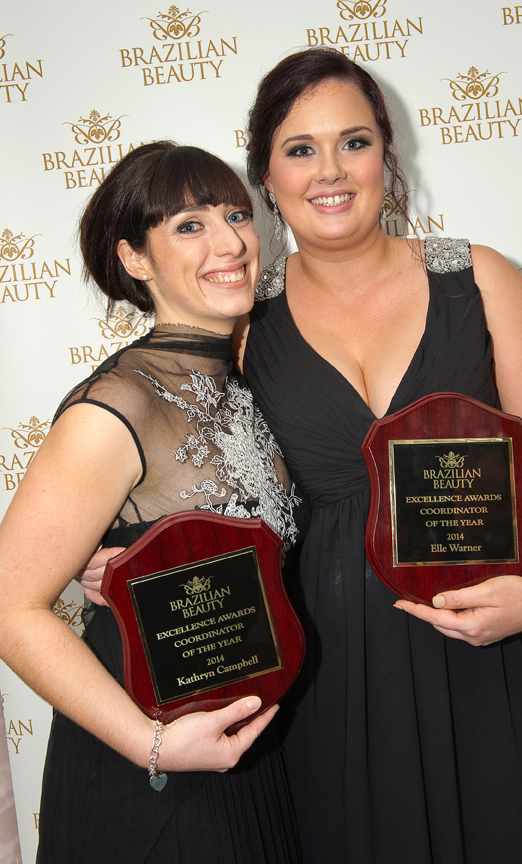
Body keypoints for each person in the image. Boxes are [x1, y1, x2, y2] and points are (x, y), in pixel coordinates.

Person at [80, 50, 522, 864]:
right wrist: (122, 566)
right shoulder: (238, 327)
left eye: (354, 142)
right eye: (300, 150)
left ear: (388, 152)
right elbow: (193, 484)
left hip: (504, 651)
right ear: (265, 179)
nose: (331, 171)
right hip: (333, 687)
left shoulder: (480, 279)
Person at [0, 141, 304, 864]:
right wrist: (156, 746)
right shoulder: (119, 406)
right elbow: (11, 605)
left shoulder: (245, 373)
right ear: (135, 258)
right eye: (189, 226)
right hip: (151, 779)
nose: (230, 241)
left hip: (251, 757)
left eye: (237, 214)